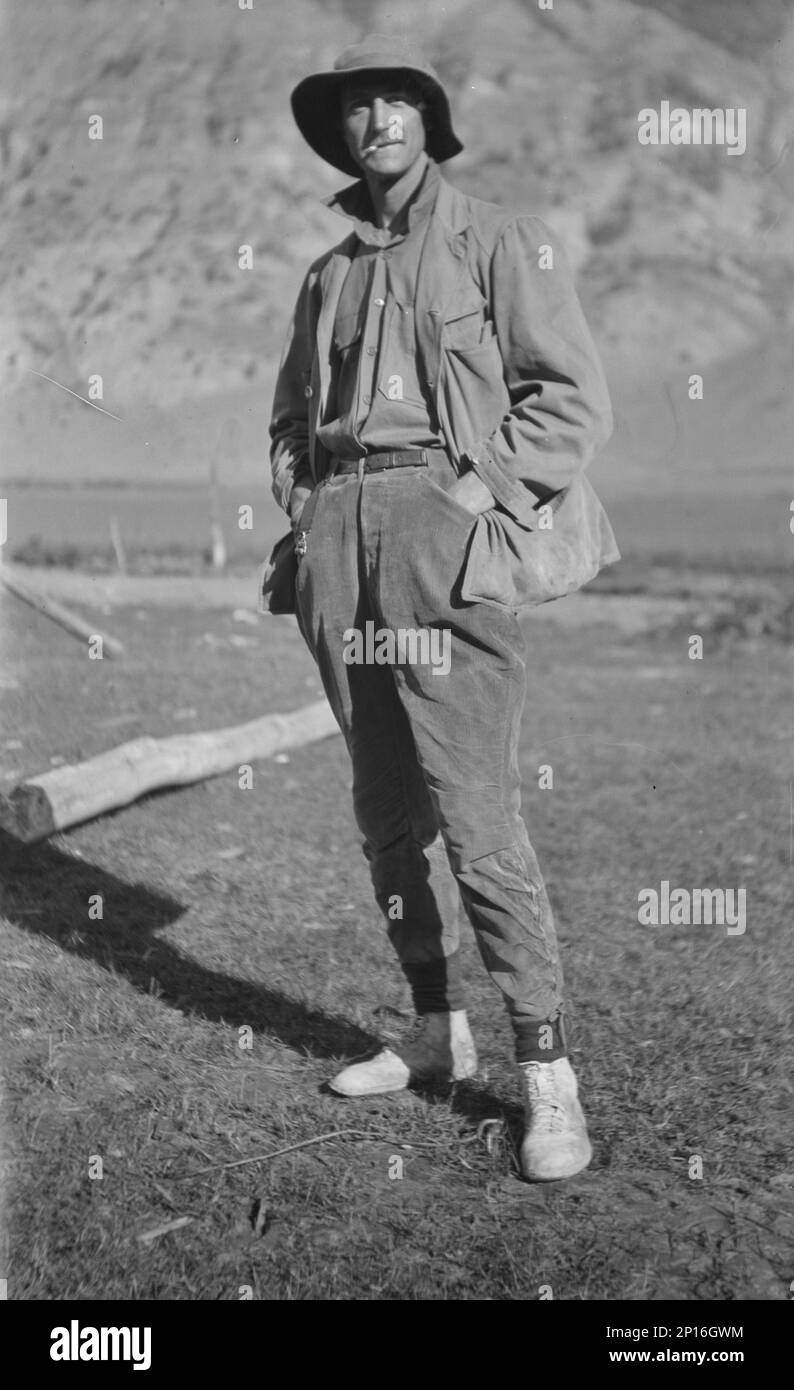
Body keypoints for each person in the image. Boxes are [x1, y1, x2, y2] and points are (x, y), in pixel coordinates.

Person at [264, 34, 619, 1181]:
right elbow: (289, 422)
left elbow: (568, 398)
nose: (376, 117)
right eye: (356, 105)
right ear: (342, 133)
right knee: (383, 812)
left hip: (443, 537)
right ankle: (431, 1029)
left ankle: (545, 1075)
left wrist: (473, 495)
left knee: (476, 818)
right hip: (342, 552)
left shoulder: (501, 240)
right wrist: (309, 506)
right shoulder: (326, 275)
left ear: (427, 119)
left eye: (396, 99)